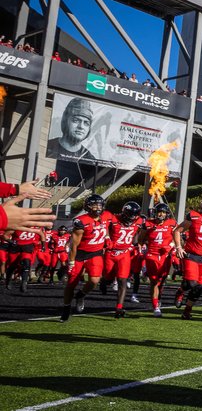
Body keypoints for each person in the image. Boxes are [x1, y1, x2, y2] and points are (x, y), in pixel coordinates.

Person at [60, 194, 115, 322]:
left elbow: (106, 226)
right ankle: (66, 307)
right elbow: (74, 245)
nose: (97, 207)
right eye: (94, 205)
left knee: (95, 280)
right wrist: (72, 262)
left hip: (95, 253)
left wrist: (107, 237)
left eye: (99, 204)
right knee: (71, 284)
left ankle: (81, 295)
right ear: (87, 206)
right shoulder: (81, 221)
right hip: (80, 254)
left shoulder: (107, 215)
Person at [102, 202, 145, 318]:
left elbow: (137, 233)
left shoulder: (139, 221)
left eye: (134, 216)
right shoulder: (113, 218)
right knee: (109, 279)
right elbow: (104, 223)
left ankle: (119, 307)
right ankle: (104, 281)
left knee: (123, 280)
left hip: (124, 253)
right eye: (130, 215)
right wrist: (106, 237)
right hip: (111, 253)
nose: (132, 219)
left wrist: (136, 243)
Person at [46, 98, 96, 185]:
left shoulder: (90, 160)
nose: (81, 126)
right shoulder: (48, 146)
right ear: (66, 121)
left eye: (86, 123)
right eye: (76, 120)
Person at [144, 203, 177, 317]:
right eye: (159, 212)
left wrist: (171, 245)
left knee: (161, 280)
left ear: (167, 214)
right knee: (154, 281)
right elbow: (140, 239)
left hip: (165, 256)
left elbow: (178, 238)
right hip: (152, 254)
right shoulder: (148, 224)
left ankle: (158, 297)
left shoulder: (171, 224)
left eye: (163, 212)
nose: (161, 214)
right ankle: (155, 306)